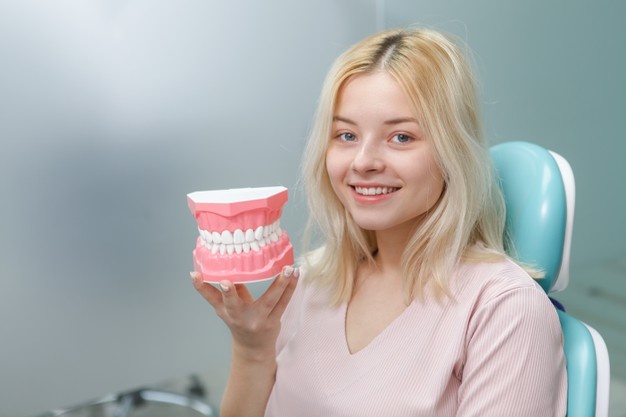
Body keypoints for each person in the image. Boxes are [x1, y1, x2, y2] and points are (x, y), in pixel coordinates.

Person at [192, 27, 567, 417]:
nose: (363, 161)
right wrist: (253, 350)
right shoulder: (312, 279)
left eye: (401, 137)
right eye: (346, 135)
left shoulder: (504, 308)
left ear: (452, 151)